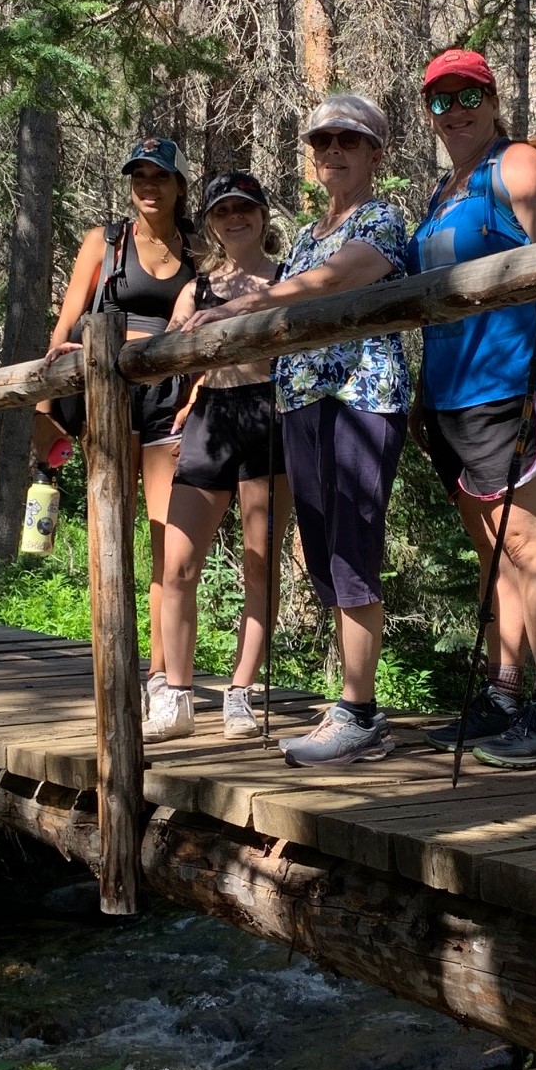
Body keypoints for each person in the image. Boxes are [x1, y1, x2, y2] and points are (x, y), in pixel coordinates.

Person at [181, 94, 410, 768]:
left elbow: (340, 278)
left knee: (352, 546)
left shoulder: (380, 218)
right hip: (303, 403)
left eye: (349, 140)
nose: (333, 151)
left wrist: (246, 305)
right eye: (322, 142)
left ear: (375, 153)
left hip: (361, 397)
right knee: (323, 550)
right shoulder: (309, 234)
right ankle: (353, 705)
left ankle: (359, 712)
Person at [408, 49, 536, 768]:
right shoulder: (444, 190)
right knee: (495, 551)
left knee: (530, 546)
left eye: (468, 95)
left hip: (515, 382)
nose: (455, 111)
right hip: (453, 395)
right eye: (440, 101)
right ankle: (503, 695)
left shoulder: (519, 165)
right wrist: (424, 393)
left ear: (494, 99)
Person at [40, 137, 197, 709]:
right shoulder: (105, 242)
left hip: (169, 400)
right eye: (139, 177)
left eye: (160, 176)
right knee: (112, 533)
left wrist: (196, 391)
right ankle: (113, 661)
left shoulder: (197, 250)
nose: (148, 186)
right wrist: (44, 406)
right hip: (107, 397)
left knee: (166, 539)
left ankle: (159, 672)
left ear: (179, 184)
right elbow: (66, 323)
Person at [144, 171, 293, 744]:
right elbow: (165, 354)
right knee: (178, 565)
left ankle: (241, 692)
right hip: (210, 421)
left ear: (262, 215)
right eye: (223, 211)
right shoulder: (198, 288)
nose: (235, 219)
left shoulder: (287, 278)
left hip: (268, 418)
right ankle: (177, 696)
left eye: (245, 208)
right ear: (209, 222)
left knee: (259, 564)